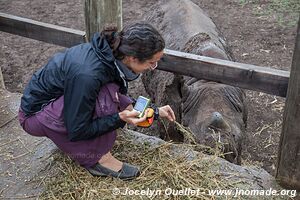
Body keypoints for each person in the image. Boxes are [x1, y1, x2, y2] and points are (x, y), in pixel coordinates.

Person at [18, 22, 176, 180]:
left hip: (60, 99)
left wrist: (154, 111)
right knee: (105, 103)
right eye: (151, 63)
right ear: (132, 58)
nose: (153, 67)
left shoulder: (109, 54)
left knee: (108, 92)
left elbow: (116, 91)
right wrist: (118, 118)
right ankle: (97, 159)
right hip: (34, 115)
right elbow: (78, 130)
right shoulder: (89, 76)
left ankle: (69, 136)